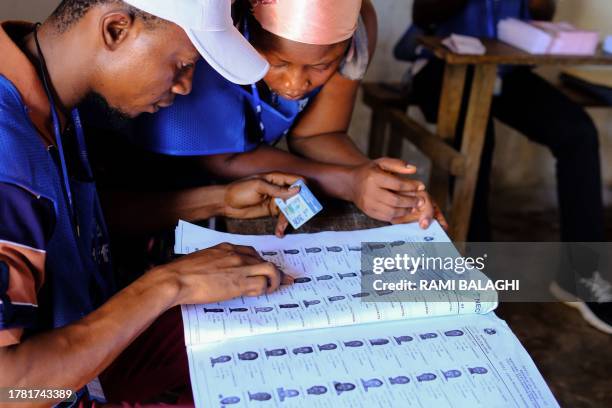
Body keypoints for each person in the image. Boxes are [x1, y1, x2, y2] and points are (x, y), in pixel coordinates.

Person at [0, 0, 304, 405]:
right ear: (115, 30)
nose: (185, 87)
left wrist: (219, 200)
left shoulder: (42, 93)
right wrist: (169, 284)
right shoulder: (7, 151)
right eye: (181, 64)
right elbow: (9, 388)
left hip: (88, 360)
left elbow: (60, 227)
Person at [123, 0, 447, 237]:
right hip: (150, 185)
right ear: (241, 34)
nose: (295, 85)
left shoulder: (356, 30)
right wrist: (347, 182)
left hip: (252, 182)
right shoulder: (214, 31)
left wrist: (376, 182)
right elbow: (221, 157)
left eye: (322, 67)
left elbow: (319, 135)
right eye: (278, 64)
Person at [395, 0, 611, 333]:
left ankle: (582, 275)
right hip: (442, 68)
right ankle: (480, 270)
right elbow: (422, 14)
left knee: (578, 132)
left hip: (505, 71)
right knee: (477, 134)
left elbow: (543, 13)